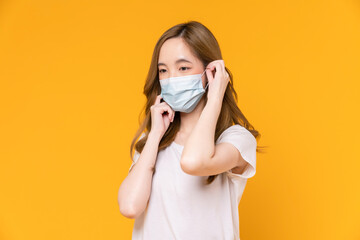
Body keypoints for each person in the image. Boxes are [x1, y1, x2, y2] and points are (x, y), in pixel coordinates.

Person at [118, 20, 262, 240]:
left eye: (183, 68)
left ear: (210, 71)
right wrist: (155, 135)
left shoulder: (235, 139)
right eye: (163, 70)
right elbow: (129, 206)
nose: (172, 78)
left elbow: (194, 162)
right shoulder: (152, 142)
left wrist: (215, 97)